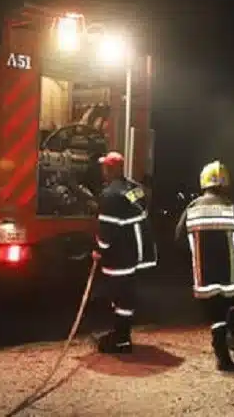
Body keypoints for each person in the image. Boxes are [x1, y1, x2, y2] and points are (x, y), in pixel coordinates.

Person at [175, 160, 234, 371]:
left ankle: (223, 358)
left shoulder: (192, 208)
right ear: (226, 184)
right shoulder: (233, 207)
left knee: (216, 315)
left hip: (204, 273)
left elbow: (179, 238)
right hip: (233, 274)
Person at [92, 151, 150, 354]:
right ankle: (120, 334)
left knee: (121, 298)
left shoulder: (109, 196)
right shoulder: (134, 189)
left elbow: (106, 232)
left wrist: (99, 250)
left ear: (109, 170)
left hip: (119, 257)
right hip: (135, 252)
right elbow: (138, 205)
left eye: (104, 168)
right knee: (125, 295)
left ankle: (121, 340)